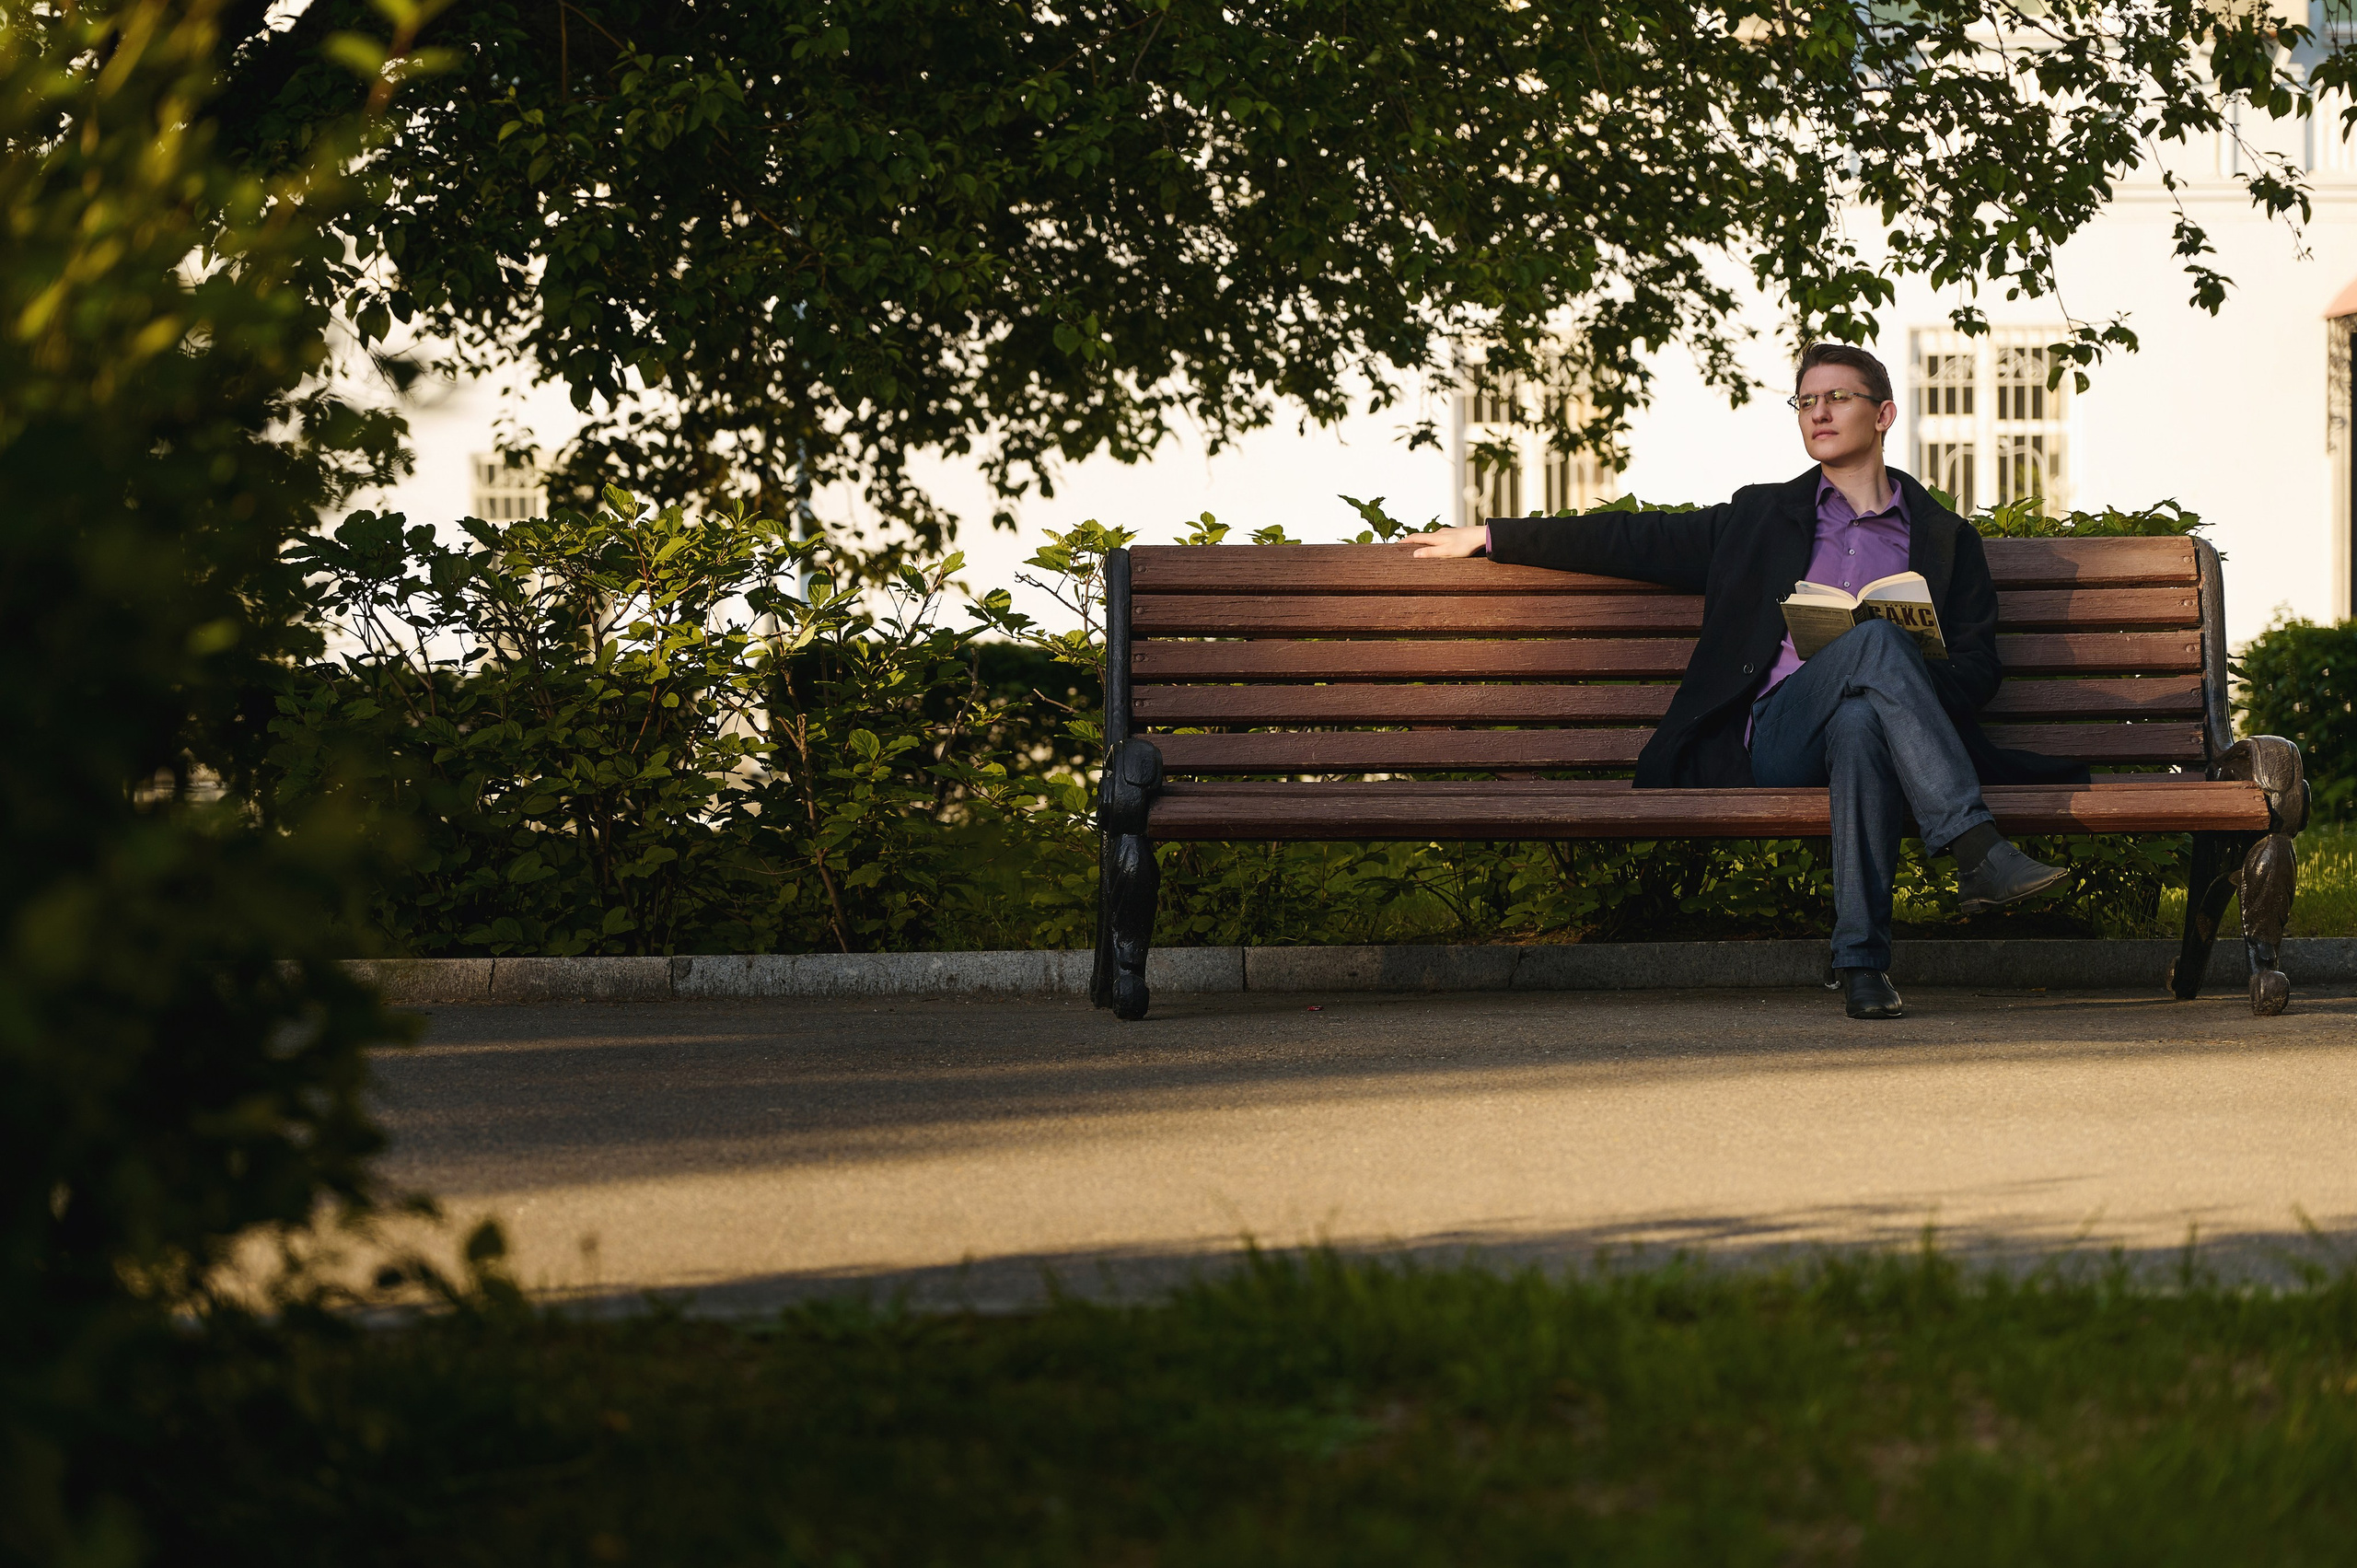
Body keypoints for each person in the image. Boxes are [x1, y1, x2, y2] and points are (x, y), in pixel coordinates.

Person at [1412, 343, 2084, 1019]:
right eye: (1805, 401)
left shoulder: (1943, 538)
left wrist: (1908, 673)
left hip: (1877, 740)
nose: (1818, 412)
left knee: (1862, 716)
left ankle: (1861, 966)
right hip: (1778, 738)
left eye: (1837, 398)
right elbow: (1633, 540)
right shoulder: (1761, 517)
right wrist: (1495, 535)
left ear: (1883, 414)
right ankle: (1975, 847)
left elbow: (1979, 669)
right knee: (1873, 642)